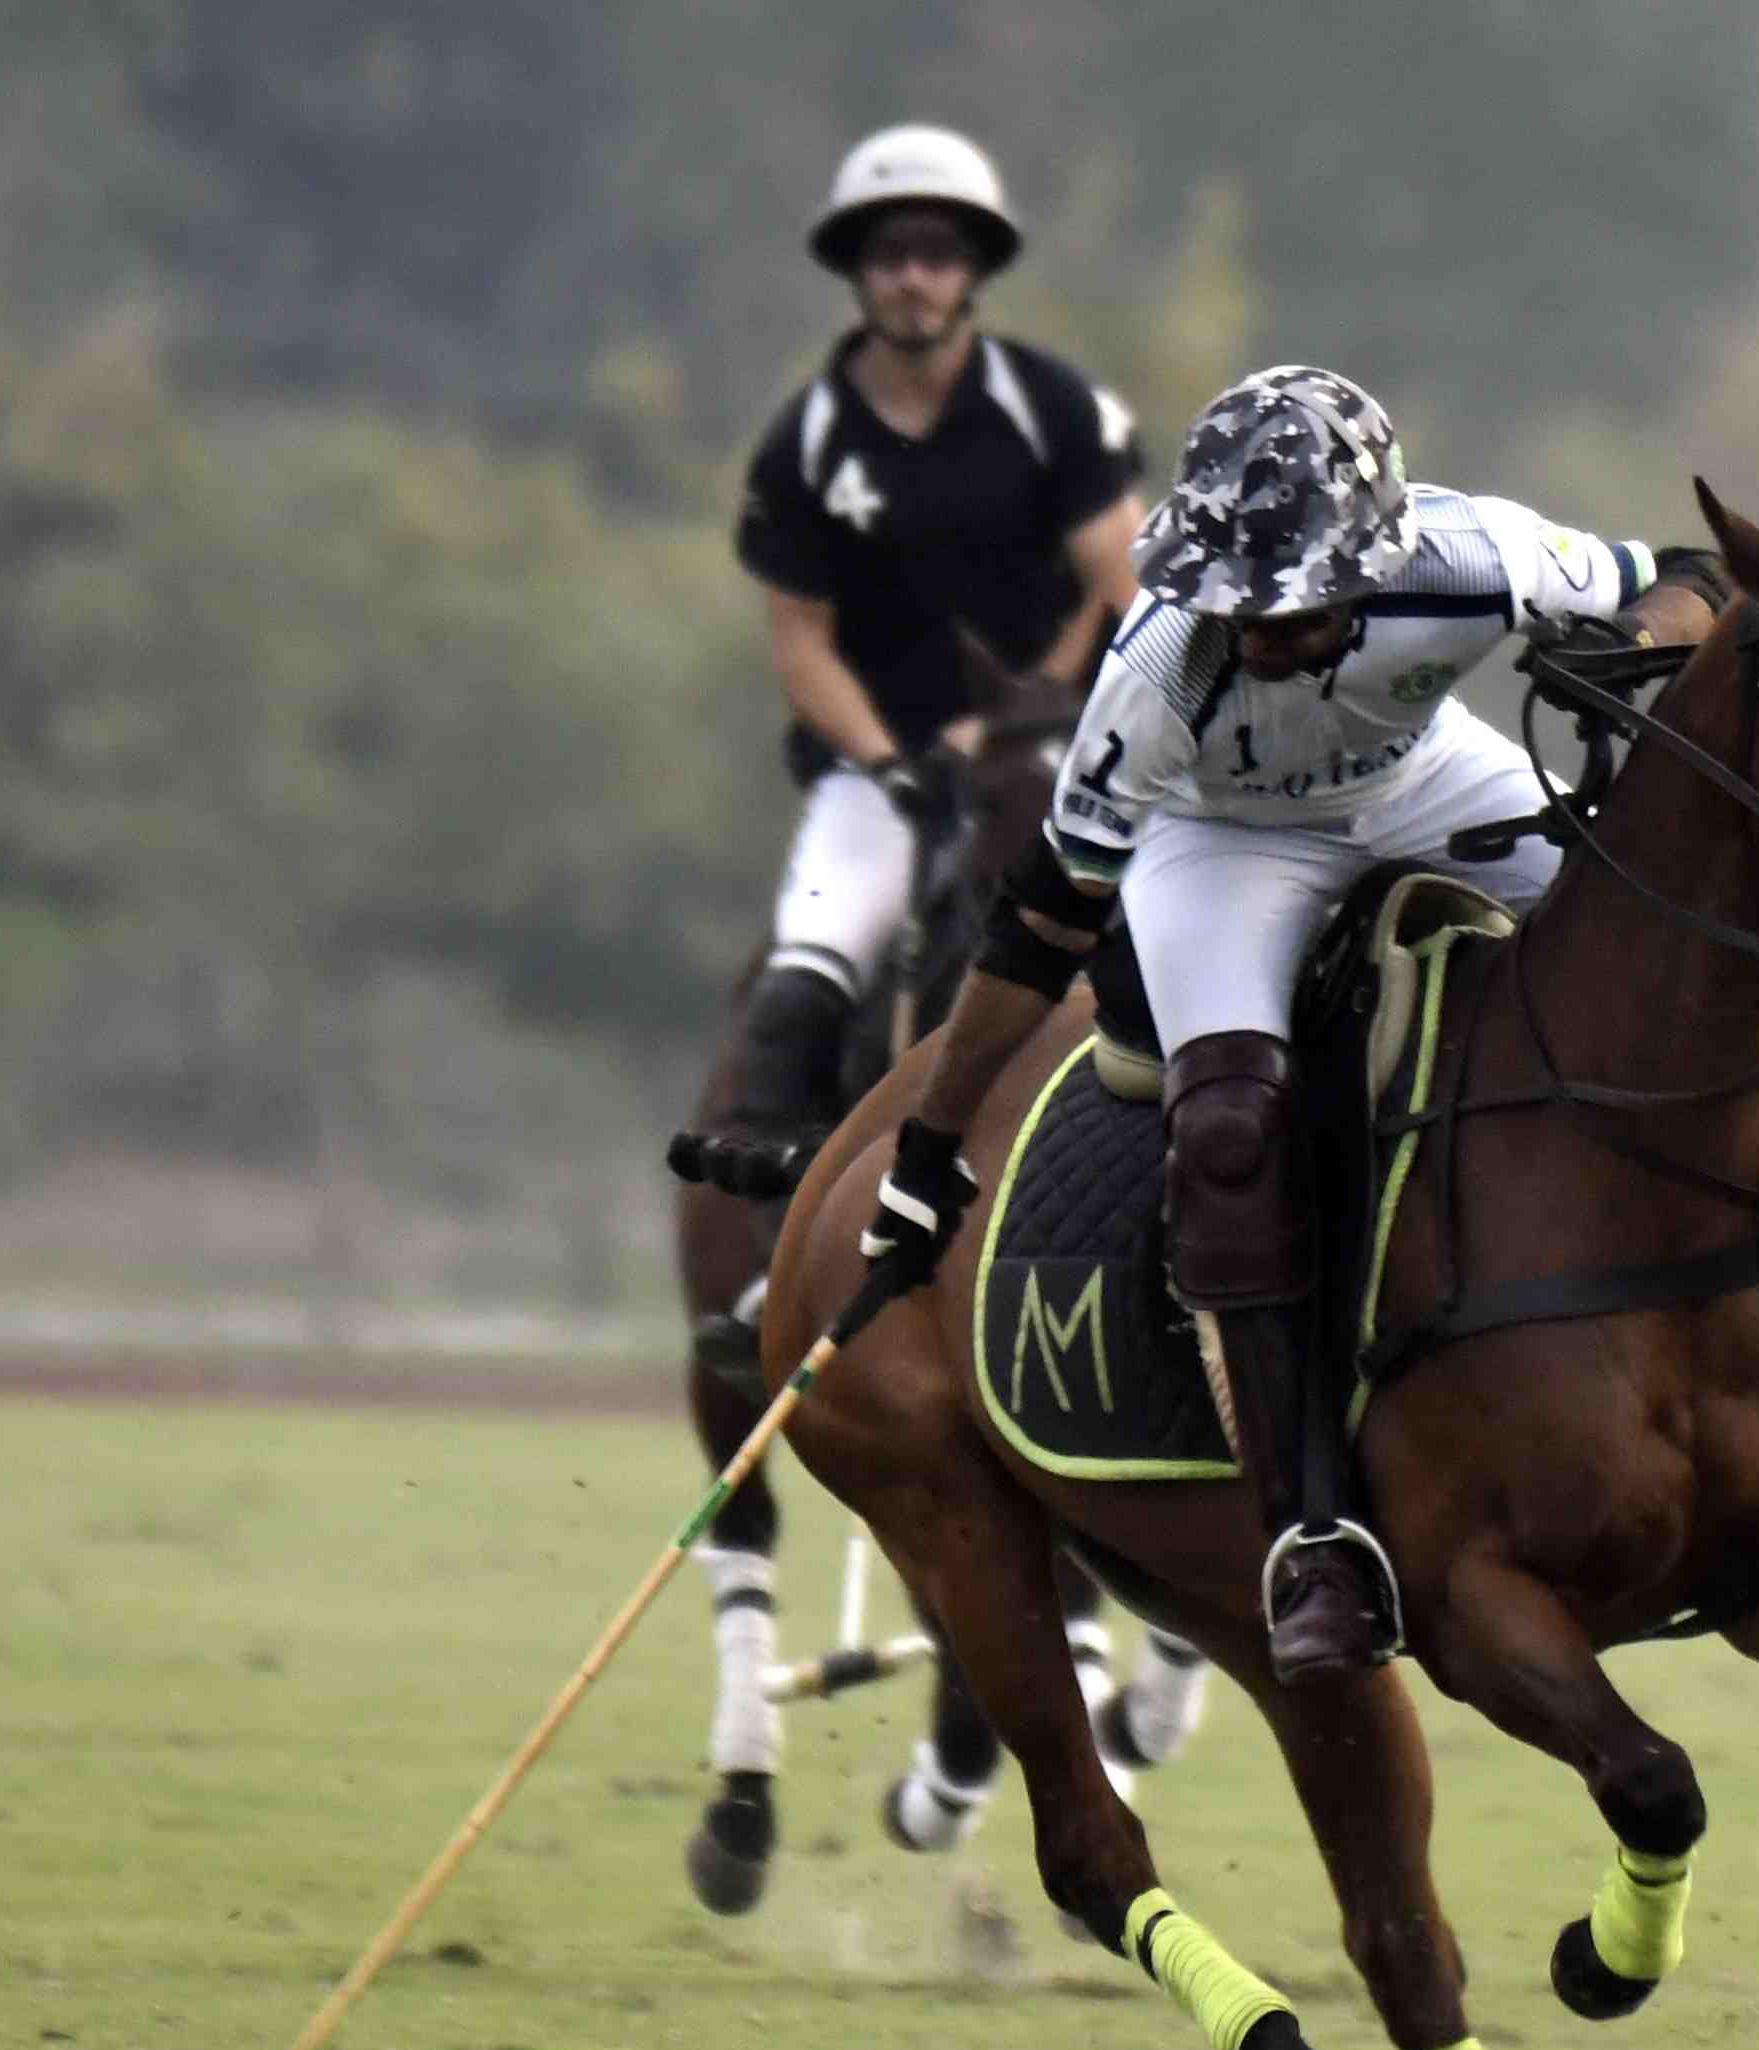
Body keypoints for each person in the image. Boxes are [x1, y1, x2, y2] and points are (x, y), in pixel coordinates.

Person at [853, 365, 1662, 1686]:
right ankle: (1307, 1536)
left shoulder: (1474, 556)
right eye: (1244, 603)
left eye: (1298, 605)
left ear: (1376, 554)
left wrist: (1640, 643)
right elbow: (1040, 922)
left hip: (1427, 783)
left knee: (1653, 930)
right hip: (1223, 846)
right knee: (1227, 1127)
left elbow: (1677, 576)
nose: (1264, 631)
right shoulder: (1157, 670)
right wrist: (932, 1137)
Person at [698, 124, 1144, 1186]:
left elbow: (1122, 583)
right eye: (888, 254)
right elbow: (799, 647)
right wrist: (894, 761)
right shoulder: (806, 442)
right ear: (856, 273)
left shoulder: (1050, 409)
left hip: (1075, 754)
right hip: (884, 776)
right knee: (806, 976)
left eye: (937, 254)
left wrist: (1026, 708)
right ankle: (773, 1252)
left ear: (974, 272)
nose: (912, 278)